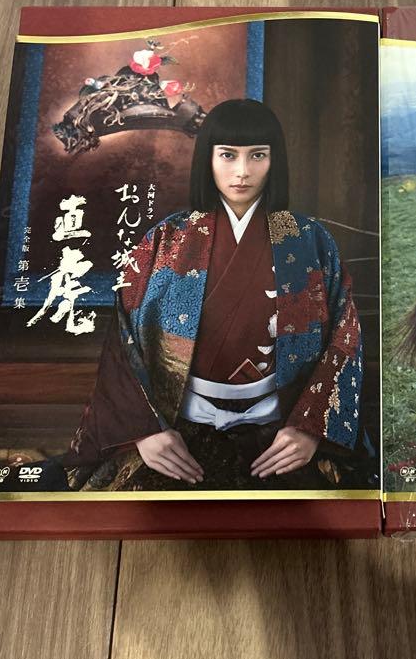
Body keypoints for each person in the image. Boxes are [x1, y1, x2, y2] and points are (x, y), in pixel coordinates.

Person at [66, 99, 368, 491]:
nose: (242, 171)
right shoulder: (166, 240)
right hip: (179, 427)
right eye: (228, 155)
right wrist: (145, 430)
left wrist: (311, 428)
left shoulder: (310, 241)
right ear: (207, 158)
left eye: (257, 155)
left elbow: (345, 336)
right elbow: (122, 341)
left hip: (283, 431)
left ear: (275, 160)